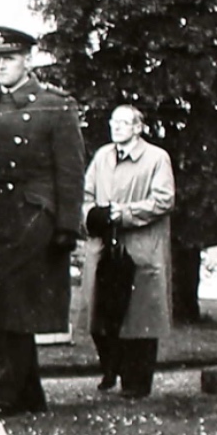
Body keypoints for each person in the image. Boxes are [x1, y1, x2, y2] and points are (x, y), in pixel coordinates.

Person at [0, 26, 85, 417]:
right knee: (0, 303)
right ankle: (30, 393)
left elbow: (70, 169)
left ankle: (3, 394)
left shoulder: (54, 104)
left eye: (11, 58)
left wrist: (67, 225)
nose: (3, 65)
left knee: (13, 304)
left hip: (31, 213)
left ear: (27, 61)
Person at [83, 105, 175, 399]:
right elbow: (85, 195)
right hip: (105, 247)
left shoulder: (157, 158)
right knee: (100, 311)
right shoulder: (102, 157)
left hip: (140, 249)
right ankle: (111, 369)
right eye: (114, 122)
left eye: (124, 123)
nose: (117, 127)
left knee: (140, 317)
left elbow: (163, 200)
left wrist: (123, 213)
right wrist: (91, 215)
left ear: (138, 127)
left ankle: (136, 382)